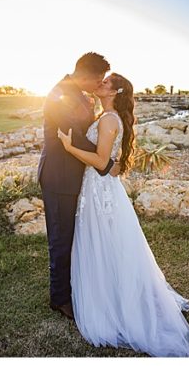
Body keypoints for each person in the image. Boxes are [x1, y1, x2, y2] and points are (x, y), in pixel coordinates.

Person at [57, 73, 189, 357]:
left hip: (101, 192)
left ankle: (114, 303)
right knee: (107, 244)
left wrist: (70, 147)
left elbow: (100, 162)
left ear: (116, 91)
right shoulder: (105, 116)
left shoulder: (110, 120)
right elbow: (110, 161)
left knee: (106, 244)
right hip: (97, 188)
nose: (100, 84)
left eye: (105, 82)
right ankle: (110, 293)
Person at [38, 52, 118, 321]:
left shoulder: (81, 94)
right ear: (86, 76)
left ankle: (74, 285)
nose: (100, 85)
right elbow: (74, 138)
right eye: (98, 79)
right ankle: (59, 299)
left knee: (74, 237)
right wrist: (105, 164)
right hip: (59, 178)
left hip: (77, 177)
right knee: (60, 239)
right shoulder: (59, 95)